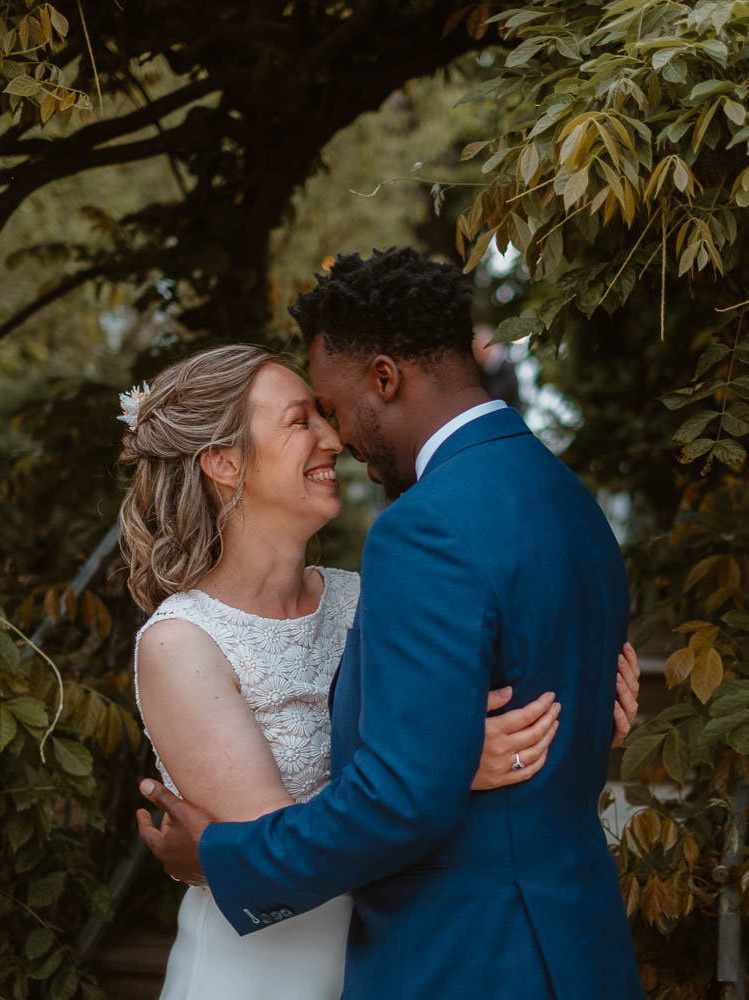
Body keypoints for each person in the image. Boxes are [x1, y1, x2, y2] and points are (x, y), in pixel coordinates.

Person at [135, 247, 645, 999]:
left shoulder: (422, 530)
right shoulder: (567, 497)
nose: (338, 440)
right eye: (308, 420)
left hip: (472, 954)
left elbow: (405, 794)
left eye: (333, 411)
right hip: (571, 941)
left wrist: (224, 859)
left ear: (385, 377)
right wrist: (453, 760)